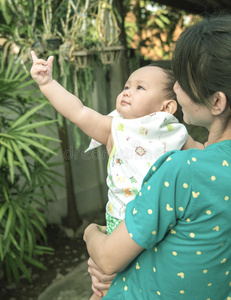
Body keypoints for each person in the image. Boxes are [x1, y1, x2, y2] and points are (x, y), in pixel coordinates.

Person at [83, 14, 231, 299]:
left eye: (184, 81)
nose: (174, 88)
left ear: (216, 102)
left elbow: (108, 259)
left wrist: (92, 231)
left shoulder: (183, 170)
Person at [30, 54, 188, 299]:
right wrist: (47, 84)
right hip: (123, 226)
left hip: (164, 224)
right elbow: (78, 111)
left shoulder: (177, 134)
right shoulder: (115, 127)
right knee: (108, 287)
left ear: (166, 107)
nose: (126, 92)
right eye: (126, 86)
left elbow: (205, 156)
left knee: (147, 286)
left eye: (139, 88)